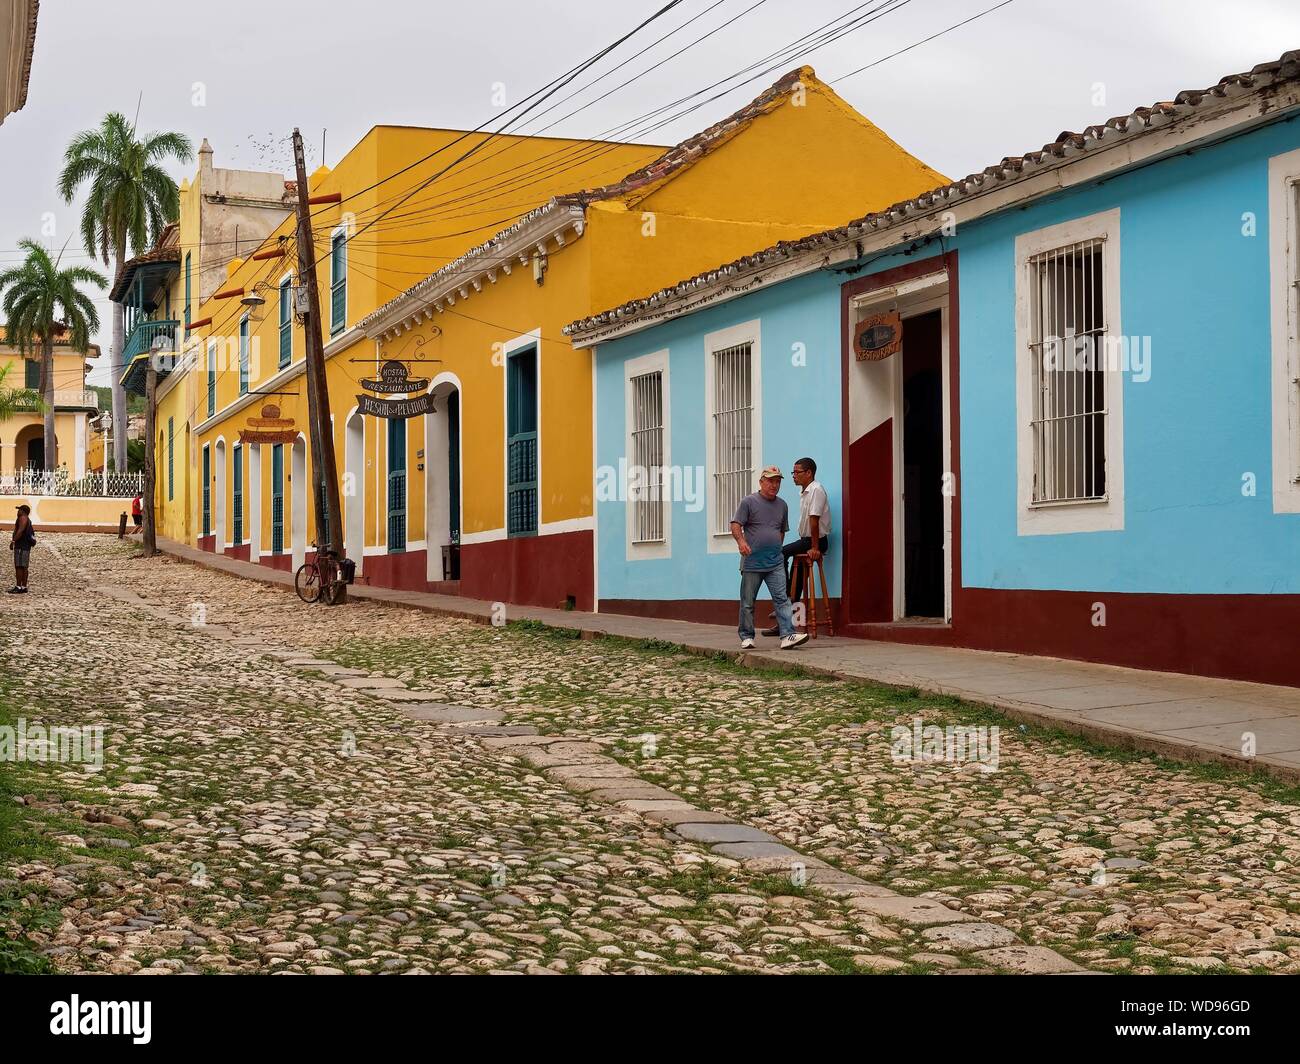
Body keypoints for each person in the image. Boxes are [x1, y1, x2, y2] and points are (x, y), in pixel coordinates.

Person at [731, 466, 809, 651]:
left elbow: (781, 531)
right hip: (752, 561)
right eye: (771, 481)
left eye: (778, 481)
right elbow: (735, 524)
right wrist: (741, 542)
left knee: (783, 599)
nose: (774, 485)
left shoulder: (782, 505)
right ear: (761, 482)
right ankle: (747, 636)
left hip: (775, 562)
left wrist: (775, 548)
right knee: (748, 602)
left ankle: (787, 634)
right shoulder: (748, 502)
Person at [763, 456, 832, 636]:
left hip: (814, 541)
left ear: (808, 473)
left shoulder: (816, 490)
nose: (793, 476)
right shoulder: (805, 492)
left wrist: (815, 548)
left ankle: (785, 600)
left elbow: (815, 521)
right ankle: (785, 615)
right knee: (797, 578)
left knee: (781, 553)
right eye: (793, 472)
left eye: (797, 472)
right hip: (806, 541)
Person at [9, 503, 35, 594]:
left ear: (23, 511)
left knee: (19, 566)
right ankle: (24, 586)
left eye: (19, 510)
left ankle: (18, 586)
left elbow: (20, 531)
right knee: (24, 566)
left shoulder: (23, 518)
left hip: (21, 546)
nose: (18, 511)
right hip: (26, 546)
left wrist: (13, 541)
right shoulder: (27, 519)